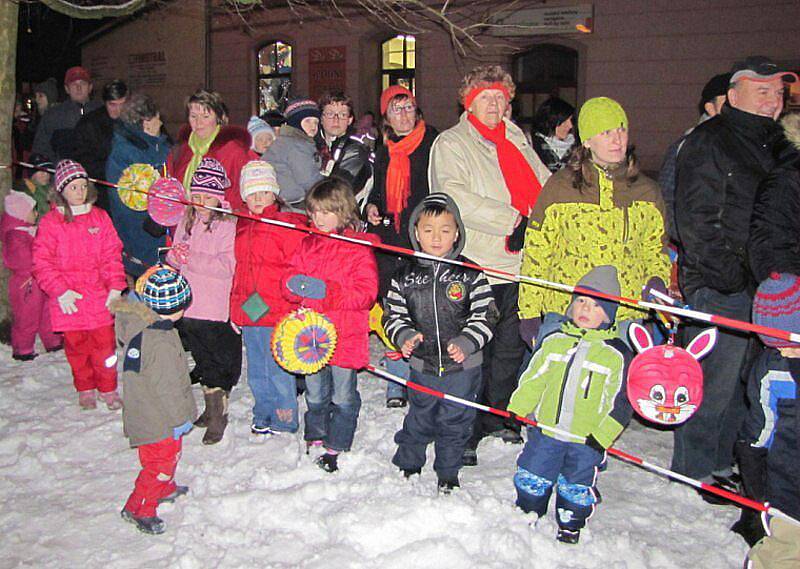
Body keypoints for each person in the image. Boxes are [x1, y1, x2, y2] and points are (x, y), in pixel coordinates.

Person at [672, 56, 797, 492]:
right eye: (762, 91)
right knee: (712, 383)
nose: (772, 101)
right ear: (734, 93)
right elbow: (696, 217)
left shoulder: (777, 144)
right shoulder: (712, 141)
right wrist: (726, 277)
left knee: (746, 384)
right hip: (723, 284)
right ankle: (695, 469)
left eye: (778, 93)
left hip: (767, 289)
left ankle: (723, 462)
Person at [429, 65, 551, 462]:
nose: (495, 104)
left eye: (501, 97)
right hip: (479, 260)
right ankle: (463, 428)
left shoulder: (516, 137)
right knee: (473, 350)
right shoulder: (453, 142)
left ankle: (497, 417)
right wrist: (513, 220)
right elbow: (453, 195)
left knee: (511, 348)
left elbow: (544, 183)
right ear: (470, 102)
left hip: (523, 261)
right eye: (486, 97)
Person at [519, 96, 671, 340]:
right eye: (606, 132)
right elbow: (537, 253)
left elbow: (655, 250)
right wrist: (529, 312)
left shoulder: (647, 190)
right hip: (566, 314)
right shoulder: (560, 187)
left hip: (624, 316)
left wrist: (656, 281)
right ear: (587, 140)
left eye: (621, 130)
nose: (617, 139)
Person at [509, 266, 633, 544]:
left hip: (586, 439)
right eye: (580, 301)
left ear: (609, 313)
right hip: (547, 431)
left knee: (575, 484)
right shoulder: (554, 341)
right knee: (534, 473)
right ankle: (529, 511)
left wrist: (602, 436)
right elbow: (534, 378)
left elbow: (621, 401)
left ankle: (570, 522)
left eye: (595, 305)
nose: (584, 309)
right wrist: (518, 407)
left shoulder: (616, 355)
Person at [383, 193, 495, 493]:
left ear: (457, 232)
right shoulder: (403, 276)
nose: (436, 238)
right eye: (428, 230)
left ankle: (448, 471)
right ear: (416, 232)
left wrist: (468, 341)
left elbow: (486, 315)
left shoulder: (471, 273)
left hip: (463, 368)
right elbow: (392, 315)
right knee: (420, 415)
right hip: (423, 365)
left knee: (455, 421)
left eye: (445, 230)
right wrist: (404, 336)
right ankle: (409, 461)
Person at [283, 177, 378, 473]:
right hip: (311, 337)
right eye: (315, 212)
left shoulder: (357, 248)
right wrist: (293, 285)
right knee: (314, 392)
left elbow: (366, 293)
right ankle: (316, 433)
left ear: (344, 211)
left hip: (344, 334)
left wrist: (329, 292)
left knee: (342, 394)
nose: (319, 219)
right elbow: (288, 281)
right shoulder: (306, 245)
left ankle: (338, 440)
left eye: (327, 212)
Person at [32, 159, 126, 410]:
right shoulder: (51, 223)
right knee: (76, 348)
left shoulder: (100, 217)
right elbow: (42, 262)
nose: (80, 191)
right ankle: (85, 387)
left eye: (83, 186)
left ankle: (108, 387)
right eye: (73, 187)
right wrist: (59, 291)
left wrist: (115, 287)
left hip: (98, 296)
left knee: (105, 347)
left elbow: (112, 255)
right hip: (69, 301)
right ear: (61, 190)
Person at [366, 85, 439, 408]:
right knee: (393, 310)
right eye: (397, 110)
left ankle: (422, 379)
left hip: (423, 238)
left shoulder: (433, 143)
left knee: (424, 311)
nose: (404, 115)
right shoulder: (384, 150)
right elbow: (379, 190)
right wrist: (372, 205)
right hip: (390, 240)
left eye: (408, 107)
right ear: (387, 117)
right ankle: (397, 379)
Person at [113, 267, 196, 535]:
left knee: (169, 456)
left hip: (153, 412)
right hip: (157, 418)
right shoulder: (158, 341)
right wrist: (179, 418)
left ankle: (165, 486)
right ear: (174, 308)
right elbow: (167, 387)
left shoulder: (148, 323)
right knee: (158, 463)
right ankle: (139, 507)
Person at [230, 160, 307, 436]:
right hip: (251, 312)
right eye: (252, 193)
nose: (259, 199)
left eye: (264, 192)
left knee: (278, 368)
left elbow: (298, 267)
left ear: (274, 193)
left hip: (278, 310)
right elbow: (239, 270)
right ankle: (262, 410)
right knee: (257, 369)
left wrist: (298, 304)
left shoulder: (286, 226)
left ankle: (284, 416)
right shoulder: (242, 226)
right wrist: (235, 309)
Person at [167, 157, 239, 445]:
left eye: (207, 196)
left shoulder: (227, 225)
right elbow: (174, 253)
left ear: (219, 197)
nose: (200, 202)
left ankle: (218, 413)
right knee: (201, 358)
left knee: (219, 360)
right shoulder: (187, 219)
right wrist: (175, 257)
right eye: (196, 196)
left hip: (215, 307)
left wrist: (193, 259)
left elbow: (227, 265)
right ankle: (209, 407)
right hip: (191, 305)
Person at [658, 72, 731, 243]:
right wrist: (696, 243)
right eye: (727, 102)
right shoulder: (687, 146)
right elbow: (666, 202)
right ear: (710, 108)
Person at [106, 92, 171, 278]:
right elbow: (126, 199)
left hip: (162, 237)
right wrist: (152, 218)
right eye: (158, 117)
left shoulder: (161, 146)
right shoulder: (127, 153)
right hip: (143, 236)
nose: (161, 123)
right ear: (146, 121)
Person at [168, 89, 254, 212]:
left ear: (218, 118)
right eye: (193, 116)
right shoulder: (181, 150)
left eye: (205, 116)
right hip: (184, 223)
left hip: (220, 223)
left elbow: (247, 192)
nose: (199, 122)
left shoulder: (233, 151)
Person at [1, 191, 61, 360]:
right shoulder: (16, 236)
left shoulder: (30, 232)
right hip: (26, 283)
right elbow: (23, 260)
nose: (36, 214)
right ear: (21, 213)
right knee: (27, 316)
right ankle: (23, 348)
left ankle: (53, 340)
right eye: (32, 211)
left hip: (40, 280)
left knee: (47, 312)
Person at [71, 79, 129, 212]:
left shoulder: (134, 120)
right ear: (105, 103)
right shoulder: (89, 124)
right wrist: (112, 172)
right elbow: (82, 159)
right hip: (102, 191)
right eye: (113, 105)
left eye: (122, 104)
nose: (119, 110)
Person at [264, 97, 324, 210]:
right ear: (296, 122)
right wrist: (328, 185)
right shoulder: (296, 145)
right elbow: (307, 179)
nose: (313, 126)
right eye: (307, 121)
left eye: (316, 122)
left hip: (284, 200)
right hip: (292, 202)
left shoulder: (289, 141)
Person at [32, 66, 102, 162]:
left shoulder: (102, 112)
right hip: (64, 173)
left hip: (96, 175)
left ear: (90, 87)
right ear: (67, 89)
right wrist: (41, 167)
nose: (78, 88)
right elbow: (41, 148)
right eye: (74, 84)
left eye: (83, 83)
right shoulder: (53, 115)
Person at [316, 91, 372, 200]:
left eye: (342, 115)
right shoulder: (311, 145)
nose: (336, 120)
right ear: (321, 118)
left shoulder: (356, 150)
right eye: (330, 114)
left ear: (350, 120)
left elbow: (340, 191)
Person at [530, 97, 576, 173]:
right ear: (551, 121)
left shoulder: (577, 148)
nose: (570, 125)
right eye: (564, 121)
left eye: (571, 120)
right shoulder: (531, 145)